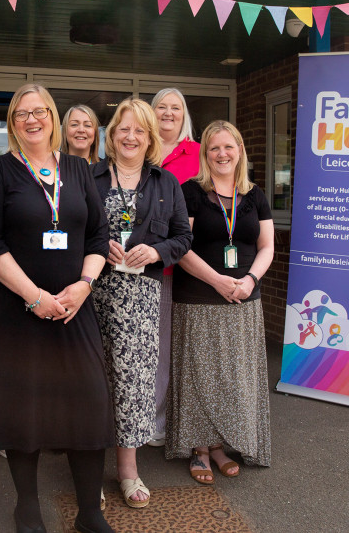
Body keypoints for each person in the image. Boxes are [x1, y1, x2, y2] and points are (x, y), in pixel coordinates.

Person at [0, 84, 114, 533]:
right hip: (18, 310)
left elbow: (97, 235)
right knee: (24, 407)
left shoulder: (77, 168)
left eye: (39, 112)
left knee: (88, 403)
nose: (31, 120)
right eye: (21, 114)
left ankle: (89, 512)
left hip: (75, 306)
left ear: (53, 117)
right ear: (12, 123)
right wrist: (33, 297)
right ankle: (27, 506)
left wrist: (84, 285)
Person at [89, 99, 192, 508]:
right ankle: (90, 472)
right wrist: (98, 247)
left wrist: (155, 253)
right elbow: (72, 226)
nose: (130, 137)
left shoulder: (165, 183)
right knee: (93, 383)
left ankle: (128, 471)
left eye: (139, 131)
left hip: (141, 299)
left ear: (150, 138)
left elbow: (183, 237)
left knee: (133, 384)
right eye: (123, 129)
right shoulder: (90, 176)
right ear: (112, 134)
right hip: (92, 292)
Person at [167, 120, 274, 483]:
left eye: (228, 147)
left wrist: (249, 280)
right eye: (214, 148)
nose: (222, 154)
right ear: (205, 154)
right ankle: (199, 448)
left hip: (244, 299)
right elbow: (181, 246)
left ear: (240, 150)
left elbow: (267, 246)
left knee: (233, 377)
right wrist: (217, 280)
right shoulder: (190, 192)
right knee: (200, 375)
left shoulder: (256, 196)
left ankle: (220, 445)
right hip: (198, 296)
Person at [147, 87, 202, 448]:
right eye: (162, 107)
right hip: (148, 268)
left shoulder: (198, 154)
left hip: (189, 267)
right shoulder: (140, 148)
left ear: (184, 115)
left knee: (179, 348)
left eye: (176, 108)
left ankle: (170, 421)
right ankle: (148, 419)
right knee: (152, 347)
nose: (168, 113)